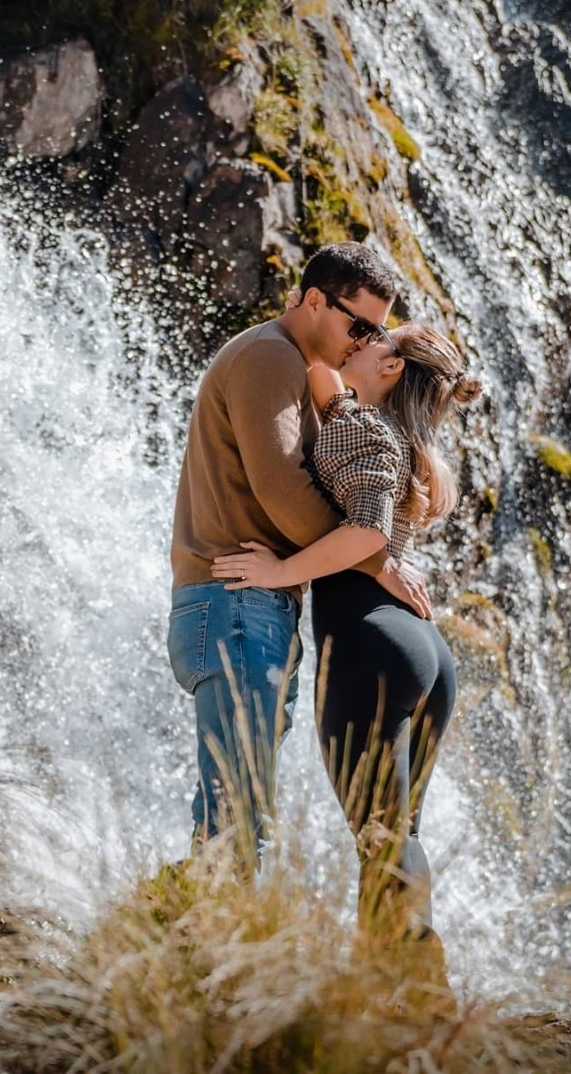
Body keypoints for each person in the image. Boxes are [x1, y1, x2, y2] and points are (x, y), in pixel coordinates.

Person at [212, 322, 480, 943]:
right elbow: (324, 373)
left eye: (378, 338)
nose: (359, 340)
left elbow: (367, 532)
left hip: (370, 646)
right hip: (424, 652)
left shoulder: (364, 428)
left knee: (379, 839)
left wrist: (280, 572)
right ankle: (401, 977)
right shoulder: (390, 431)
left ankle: (409, 978)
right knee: (397, 833)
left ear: (391, 369)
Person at [168, 242, 431, 863]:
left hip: (247, 603)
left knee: (241, 807)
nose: (366, 341)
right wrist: (376, 562)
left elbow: (332, 413)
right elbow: (284, 492)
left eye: (378, 332)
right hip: (236, 601)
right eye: (359, 326)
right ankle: (201, 920)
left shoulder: (286, 357)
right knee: (237, 816)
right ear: (314, 301)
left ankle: (193, 913)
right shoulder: (268, 356)